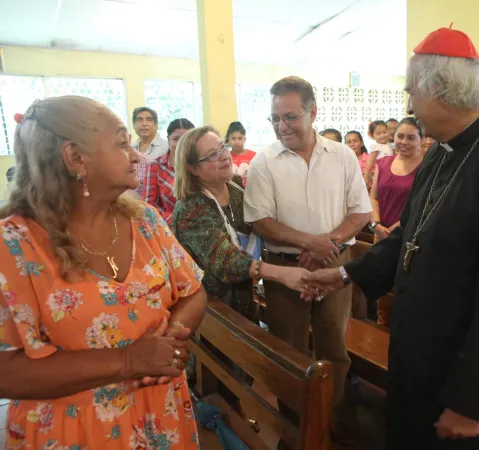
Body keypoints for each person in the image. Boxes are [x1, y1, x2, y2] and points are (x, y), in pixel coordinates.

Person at [304, 26, 479, 450]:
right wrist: (347, 274)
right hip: (417, 351)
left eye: (413, 93)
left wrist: (472, 402)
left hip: (463, 367)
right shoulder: (441, 151)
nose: (409, 106)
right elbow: (411, 236)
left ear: (442, 90)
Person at [0, 96, 207, 449]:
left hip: (162, 414)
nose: (137, 155)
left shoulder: (145, 221)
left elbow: (192, 291)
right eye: (121, 143)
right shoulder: (14, 245)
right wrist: (127, 361)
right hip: (76, 431)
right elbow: (6, 370)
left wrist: (169, 342)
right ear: (75, 158)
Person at [244, 76, 371, 444]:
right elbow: (260, 220)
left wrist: (326, 245)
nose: (282, 127)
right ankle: (294, 429)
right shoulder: (265, 161)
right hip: (284, 269)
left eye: (290, 117)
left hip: (334, 264)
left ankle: (328, 426)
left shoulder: (342, 156)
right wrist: (309, 243)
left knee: (334, 347)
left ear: (312, 113)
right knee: (288, 351)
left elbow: (360, 212)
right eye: (275, 119)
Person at [172, 125, 317, 321]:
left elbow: (262, 223)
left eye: (223, 147)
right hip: (212, 310)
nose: (224, 156)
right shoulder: (191, 208)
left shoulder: (235, 187)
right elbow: (228, 262)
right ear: (192, 168)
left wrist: (303, 245)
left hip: (245, 297)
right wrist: (283, 274)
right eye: (212, 155)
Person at [368, 117, 424, 326]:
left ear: (421, 139)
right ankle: (381, 328)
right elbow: (374, 197)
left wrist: (398, 227)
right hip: (381, 233)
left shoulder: (427, 166)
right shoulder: (383, 163)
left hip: (409, 236)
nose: (404, 142)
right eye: (400, 136)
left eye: (411, 137)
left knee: (405, 287)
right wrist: (376, 224)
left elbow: (424, 204)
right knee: (382, 287)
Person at [141, 118, 195, 226]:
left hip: (203, 227)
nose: (181, 144)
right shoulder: (155, 167)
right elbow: (149, 207)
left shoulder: (199, 165)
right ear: (168, 139)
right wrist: (177, 220)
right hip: (169, 230)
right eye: (176, 139)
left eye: (186, 140)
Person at [362, 120, 393, 186]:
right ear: (372, 135)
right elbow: (370, 161)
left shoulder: (390, 145)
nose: (382, 135)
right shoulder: (376, 146)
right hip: (380, 172)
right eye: (378, 134)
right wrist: (366, 176)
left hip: (391, 171)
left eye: (384, 132)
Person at [226, 121, 256, 187]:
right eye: (233, 138)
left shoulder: (254, 156)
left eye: (240, 138)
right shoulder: (225, 157)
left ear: (244, 139)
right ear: (229, 140)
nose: (237, 142)